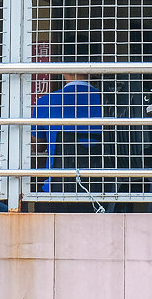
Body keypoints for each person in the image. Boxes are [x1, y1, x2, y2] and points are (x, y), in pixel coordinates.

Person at [31, 62, 103, 199]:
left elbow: (37, 146)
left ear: (63, 70)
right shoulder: (111, 101)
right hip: (104, 190)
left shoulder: (45, 102)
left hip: (56, 190)